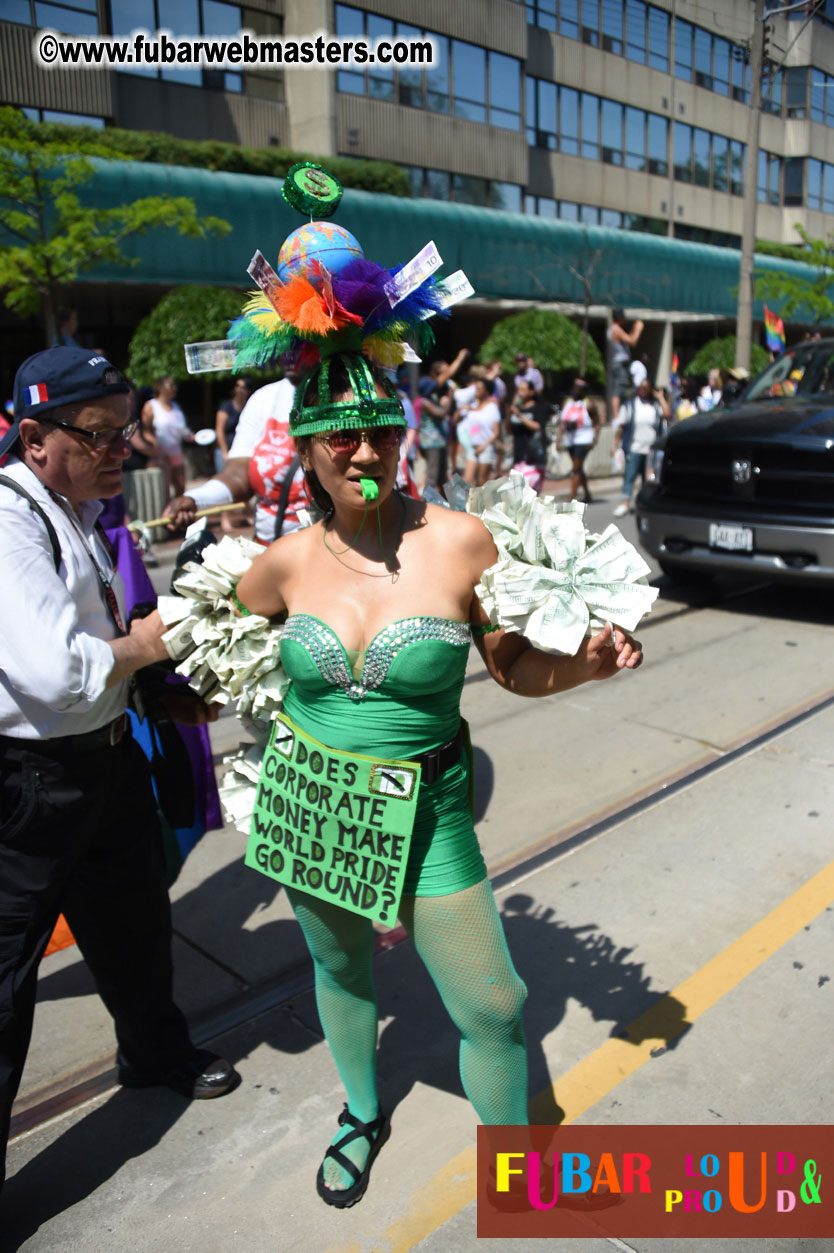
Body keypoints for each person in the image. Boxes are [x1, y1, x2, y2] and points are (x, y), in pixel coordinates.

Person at [229, 350, 643, 1209]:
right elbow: (220, 658)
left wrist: (588, 666)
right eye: (339, 438)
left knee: (493, 1003)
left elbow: (518, 667)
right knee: (338, 969)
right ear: (304, 448)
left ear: (402, 435)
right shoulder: (282, 563)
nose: (364, 453)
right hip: (318, 808)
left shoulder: (457, 540)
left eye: (380, 431)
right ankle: (361, 1112)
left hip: (430, 815)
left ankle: (515, 1178)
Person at [0, 347, 238, 1194]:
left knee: (136, 927)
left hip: (104, 764)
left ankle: (155, 1054)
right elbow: (58, 672)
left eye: (126, 430)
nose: (122, 452)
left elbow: (98, 654)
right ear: (33, 436)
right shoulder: (9, 521)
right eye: (100, 435)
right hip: (29, 786)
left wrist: (160, 695)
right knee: (8, 982)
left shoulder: (75, 510)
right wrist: (148, 643)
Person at [163, 358, 310, 542]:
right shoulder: (264, 399)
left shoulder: (349, 395)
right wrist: (192, 499)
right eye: (284, 341)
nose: (291, 352)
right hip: (270, 546)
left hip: (329, 551)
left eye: (301, 341)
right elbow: (238, 475)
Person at [613, 376, 670, 516]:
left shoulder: (655, 405)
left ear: (650, 389)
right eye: (641, 387)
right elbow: (622, 426)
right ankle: (625, 503)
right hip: (635, 448)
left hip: (650, 450)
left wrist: (661, 397)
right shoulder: (630, 405)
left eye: (646, 388)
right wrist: (615, 443)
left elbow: (667, 414)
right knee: (630, 476)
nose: (643, 390)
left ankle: (646, 504)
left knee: (648, 480)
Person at [141, 375, 194, 499]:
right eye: (171, 385)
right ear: (160, 387)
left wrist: (190, 435)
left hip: (177, 452)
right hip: (161, 455)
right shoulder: (151, 406)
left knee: (181, 488)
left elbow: (182, 427)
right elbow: (146, 431)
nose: (174, 388)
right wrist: (154, 445)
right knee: (164, 492)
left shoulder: (176, 406)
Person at [558, 378, 599, 503]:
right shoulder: (568, 403)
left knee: (576, 469)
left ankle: (571, 498)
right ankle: (588, 494)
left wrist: (594, 438)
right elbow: (562, 423)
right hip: (570, 440)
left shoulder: (589, 404)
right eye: (574, 387)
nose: (575, 390)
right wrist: (558, 440)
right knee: (579, 468)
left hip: (584, 440)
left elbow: (597, 423)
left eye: (579, 388)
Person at [458, 377, 501, 486]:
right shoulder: (472, 407)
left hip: (486, 448)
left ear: (486, 391)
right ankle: (467, 502)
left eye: (479, 389)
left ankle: (480, 503)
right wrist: (460, 410)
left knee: (482, 482)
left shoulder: (492, 408)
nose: (476, 391)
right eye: (475, 388)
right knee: (467, 480)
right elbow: (456, 421)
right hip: (473, 447)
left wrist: (483, 446)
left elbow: (496, 432)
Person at [606, 309, 644, 426]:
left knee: (622, 389)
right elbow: (632, 341)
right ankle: (616, 417)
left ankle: (619, 415)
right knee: (618, 390)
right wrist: (638, 328)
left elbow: (628, 339)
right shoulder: (616, 330)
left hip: (620, 364)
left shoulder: (615, 329)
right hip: (620, 364)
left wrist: (633, 330)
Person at [508, 378, 549, 487]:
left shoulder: (538, 408)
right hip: (519, 456)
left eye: (523, 390)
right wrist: (509, 413)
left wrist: (520, 416)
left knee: (529, 494)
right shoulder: (517, 408)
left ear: (531, 392)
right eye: (518, 390)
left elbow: (537, 427)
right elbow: (508, 429)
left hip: (534, 458)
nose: (519, 393)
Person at [214, 376, 254, 472]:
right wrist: (225, 452)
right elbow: (219, 430)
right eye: (237, 386)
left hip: (242, 451)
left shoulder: (250, 406)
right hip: (225, 450)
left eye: (242, 387)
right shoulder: (226, 406)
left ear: (247, 391)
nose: (238, 389)